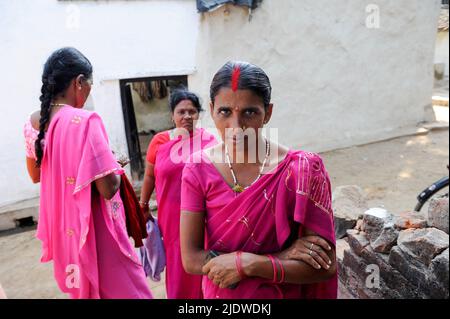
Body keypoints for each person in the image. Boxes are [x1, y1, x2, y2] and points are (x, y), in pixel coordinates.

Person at [180, 61, 337, 299]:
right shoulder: (197, 169)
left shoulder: (303, 170)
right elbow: (191, 259)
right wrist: (280, 258)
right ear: (212, 110)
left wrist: (249, 264)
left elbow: (325, 266)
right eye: (225, 112)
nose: (236, 126)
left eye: (249, 112)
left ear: (268, 112)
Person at [23, 47, 152, 299]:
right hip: (95, 229)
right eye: (89, 84)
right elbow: (108, 188)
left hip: (66, 232)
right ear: (79, 82)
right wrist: (113, 164)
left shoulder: (34, 123)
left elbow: (36, 175)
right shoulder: (86, 121)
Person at [139, 88, 216, 299]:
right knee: (178, 263)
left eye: (192, 111)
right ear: (172, 115)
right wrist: (143, 205)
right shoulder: (160, 142)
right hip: (171, 217)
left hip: (204, 215)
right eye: (181, 111)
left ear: (198, 114)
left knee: (204, 261)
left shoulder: (209, 142)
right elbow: (149, 177)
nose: (187, 116)